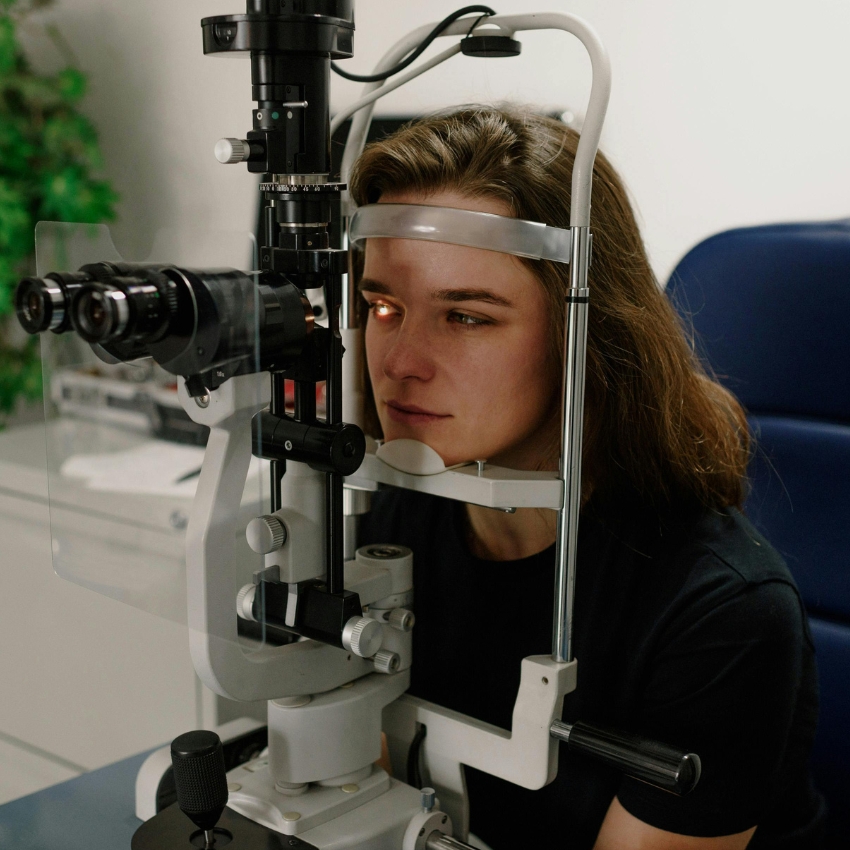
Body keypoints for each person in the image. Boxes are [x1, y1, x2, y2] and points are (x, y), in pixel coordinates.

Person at [351, 107, 825, 849]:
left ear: (589, 331)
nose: (399, 361)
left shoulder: (722, 612)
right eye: (383, 306)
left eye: (467, 317)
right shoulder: (395, 519)